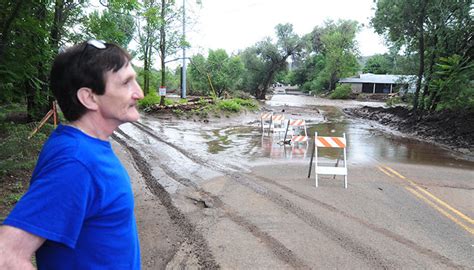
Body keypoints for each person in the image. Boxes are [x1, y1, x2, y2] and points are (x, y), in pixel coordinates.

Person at [0, 39, 144, 269]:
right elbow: (7, 256)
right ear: (89, 97)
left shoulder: (87, 147)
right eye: (126, 82)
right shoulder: (76, 162)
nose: (140, 93)